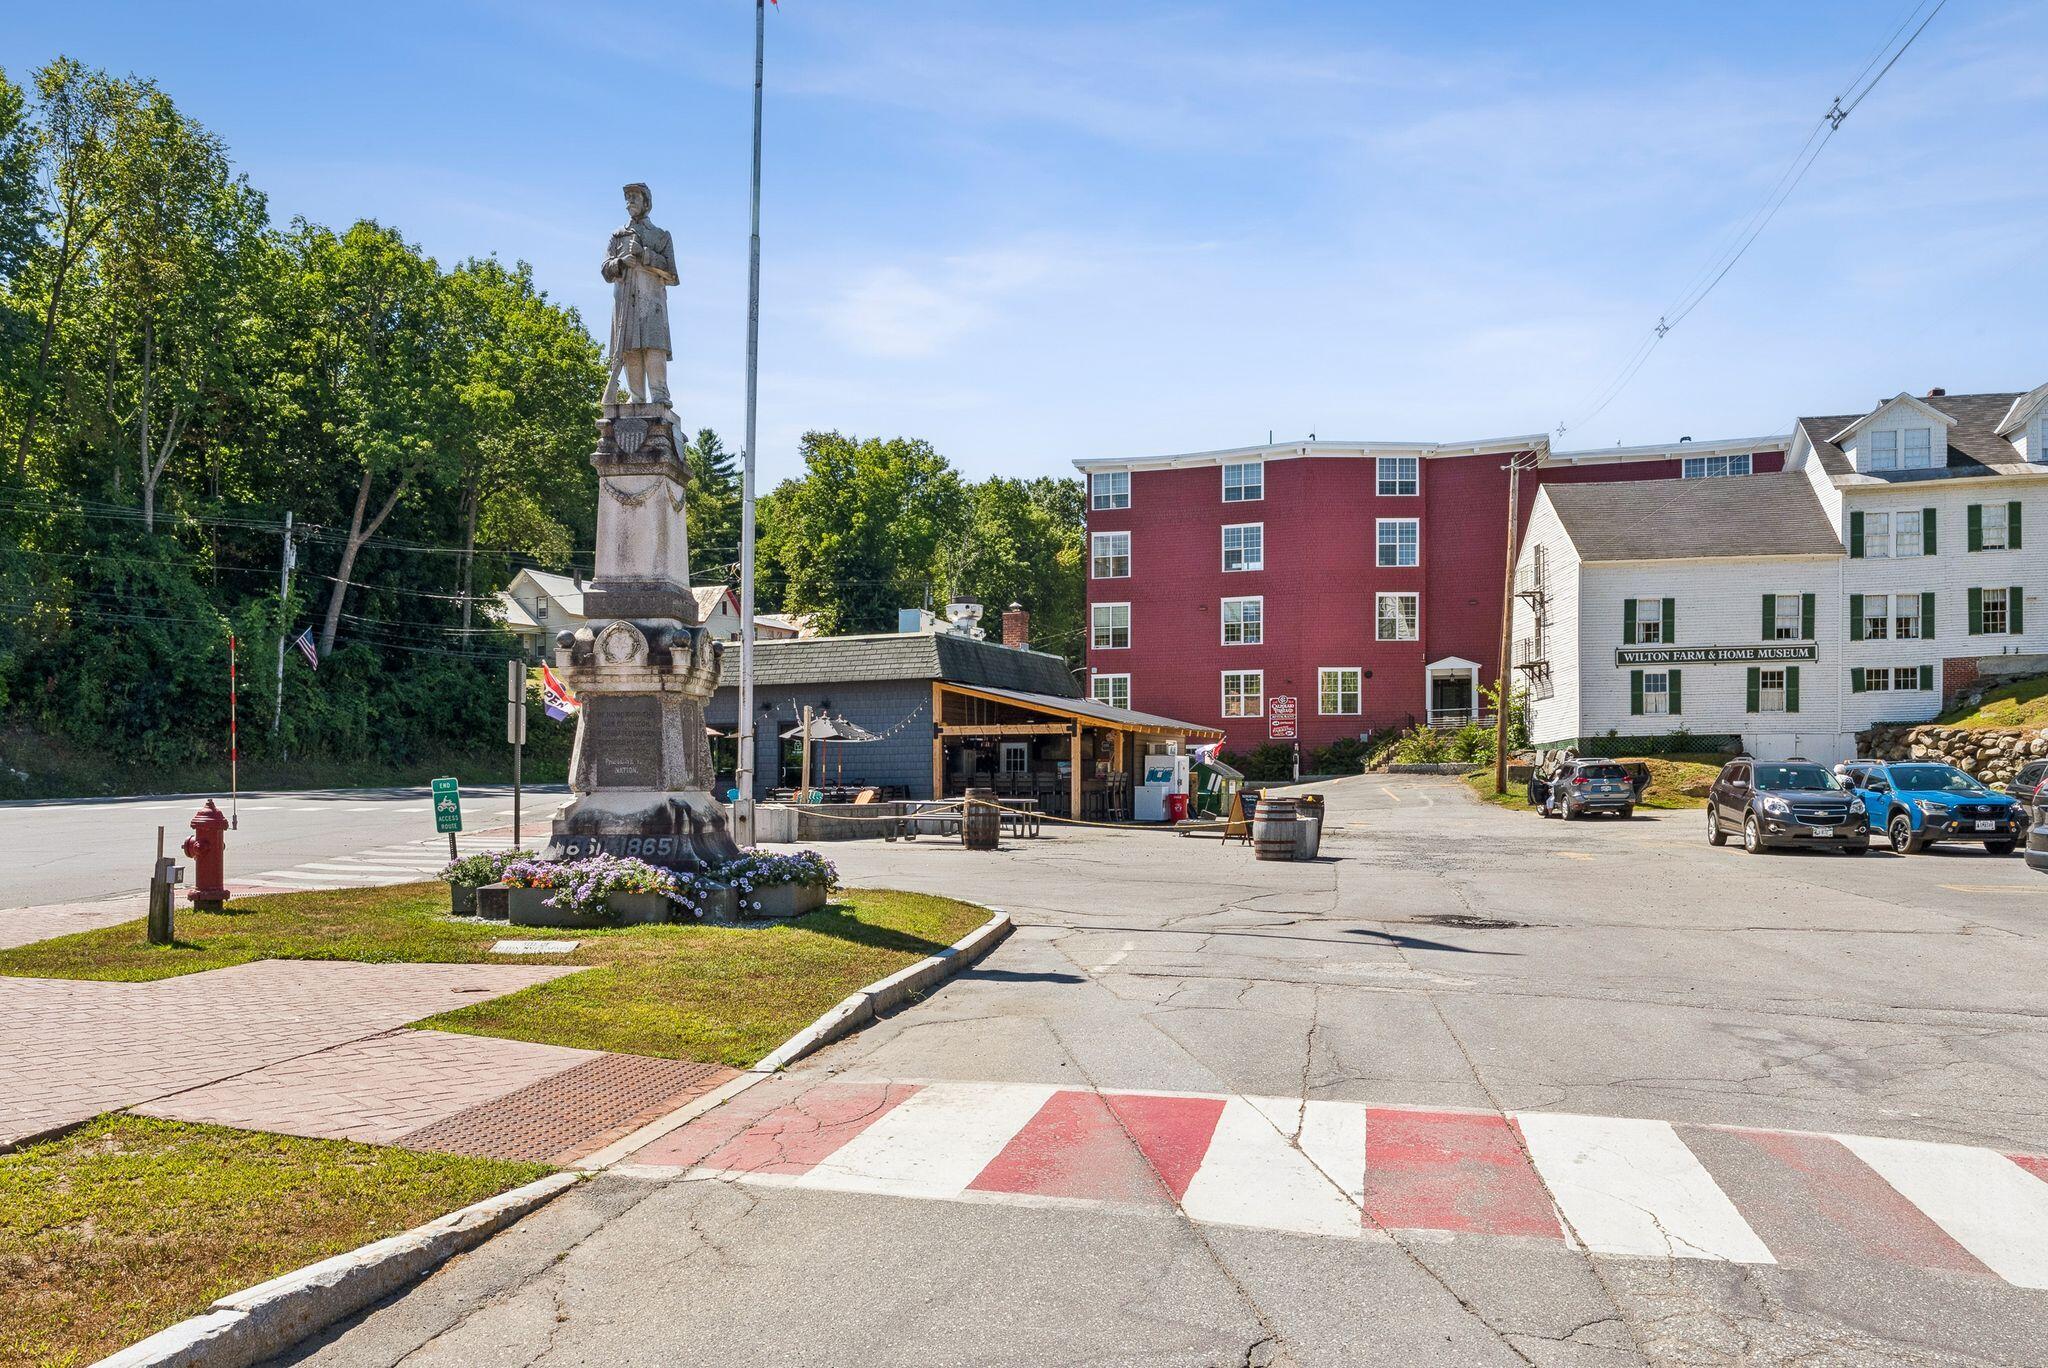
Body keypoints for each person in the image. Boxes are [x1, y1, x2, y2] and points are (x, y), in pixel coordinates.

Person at [601, 182, 679, 405]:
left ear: (647, 202)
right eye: (627, 197)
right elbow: (605, 270)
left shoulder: (660, 236)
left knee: (654, 346)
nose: (630, 201)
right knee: (629, 349)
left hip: (651, 303)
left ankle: (660, 395)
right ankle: (636, 396)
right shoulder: (617, 236)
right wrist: (620, 262)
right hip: (624, 303)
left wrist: (645, 255)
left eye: (635, 196)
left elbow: (672, 274)